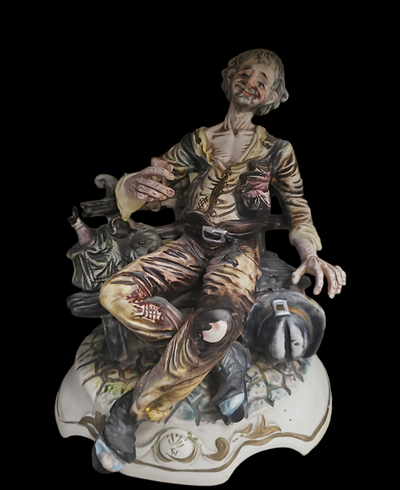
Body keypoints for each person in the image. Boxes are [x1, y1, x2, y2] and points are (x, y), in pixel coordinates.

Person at [93, 49, 346, 473]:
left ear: (271, 97)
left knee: (216, 325)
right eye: (245, 74)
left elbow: (298, 208)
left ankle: (130, 412)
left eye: (262, 81)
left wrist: (311, 254)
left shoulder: (277, 150)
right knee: (115, 293)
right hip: (190, 245)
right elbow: (155, 181)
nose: (251, 83)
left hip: (237, 252)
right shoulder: (197, 141)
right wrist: (131, 186)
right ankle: (225, 357)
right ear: (230, 79)